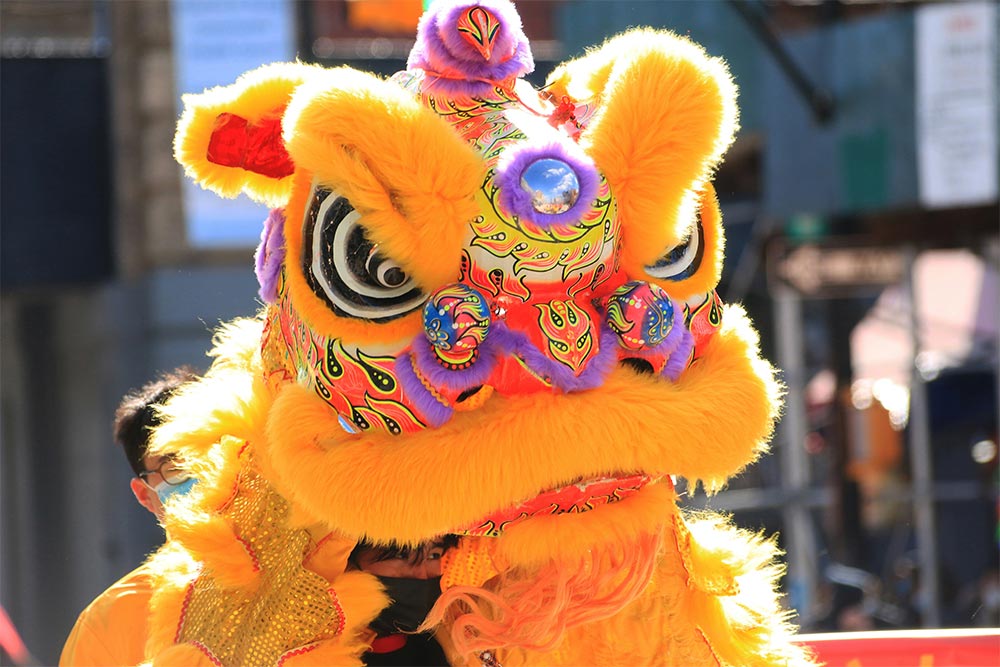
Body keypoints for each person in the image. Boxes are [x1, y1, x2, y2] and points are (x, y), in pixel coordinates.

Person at [60, 367, 199, 667]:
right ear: (145, 495)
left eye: (210, 452)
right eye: (174, 467)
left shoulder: (299, 576)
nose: (202, 474)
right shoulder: (106, 627)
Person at [350, 536, 458, 667]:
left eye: (433, 555)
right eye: (400, 554)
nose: (422, 575)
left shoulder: (449, 645)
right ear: (348, 556)